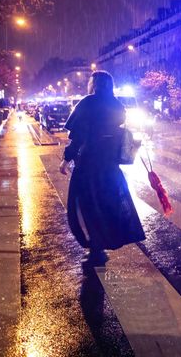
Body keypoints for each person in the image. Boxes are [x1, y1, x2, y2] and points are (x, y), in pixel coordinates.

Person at [60, 71, 145, 267]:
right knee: (107, 206)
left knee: (84, 206)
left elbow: (78, 136)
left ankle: (95, 248)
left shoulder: (88, 103)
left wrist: (66, 159)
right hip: (110, 168)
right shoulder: (117, 105)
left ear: (94, 84)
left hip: (89, 166)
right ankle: (102, 245)